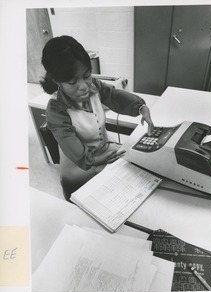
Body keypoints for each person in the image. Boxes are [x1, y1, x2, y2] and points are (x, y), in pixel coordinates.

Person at [40, 35, 154, 201]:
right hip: (79, 166)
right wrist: (102, 160)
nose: (84, 86)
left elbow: (114, 96)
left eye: (87, 76)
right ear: (58, 81)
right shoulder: (56, 110)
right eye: (73, 82)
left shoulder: (94, 86)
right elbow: (77, 152)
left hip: (104, 151)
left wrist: (140, 107)